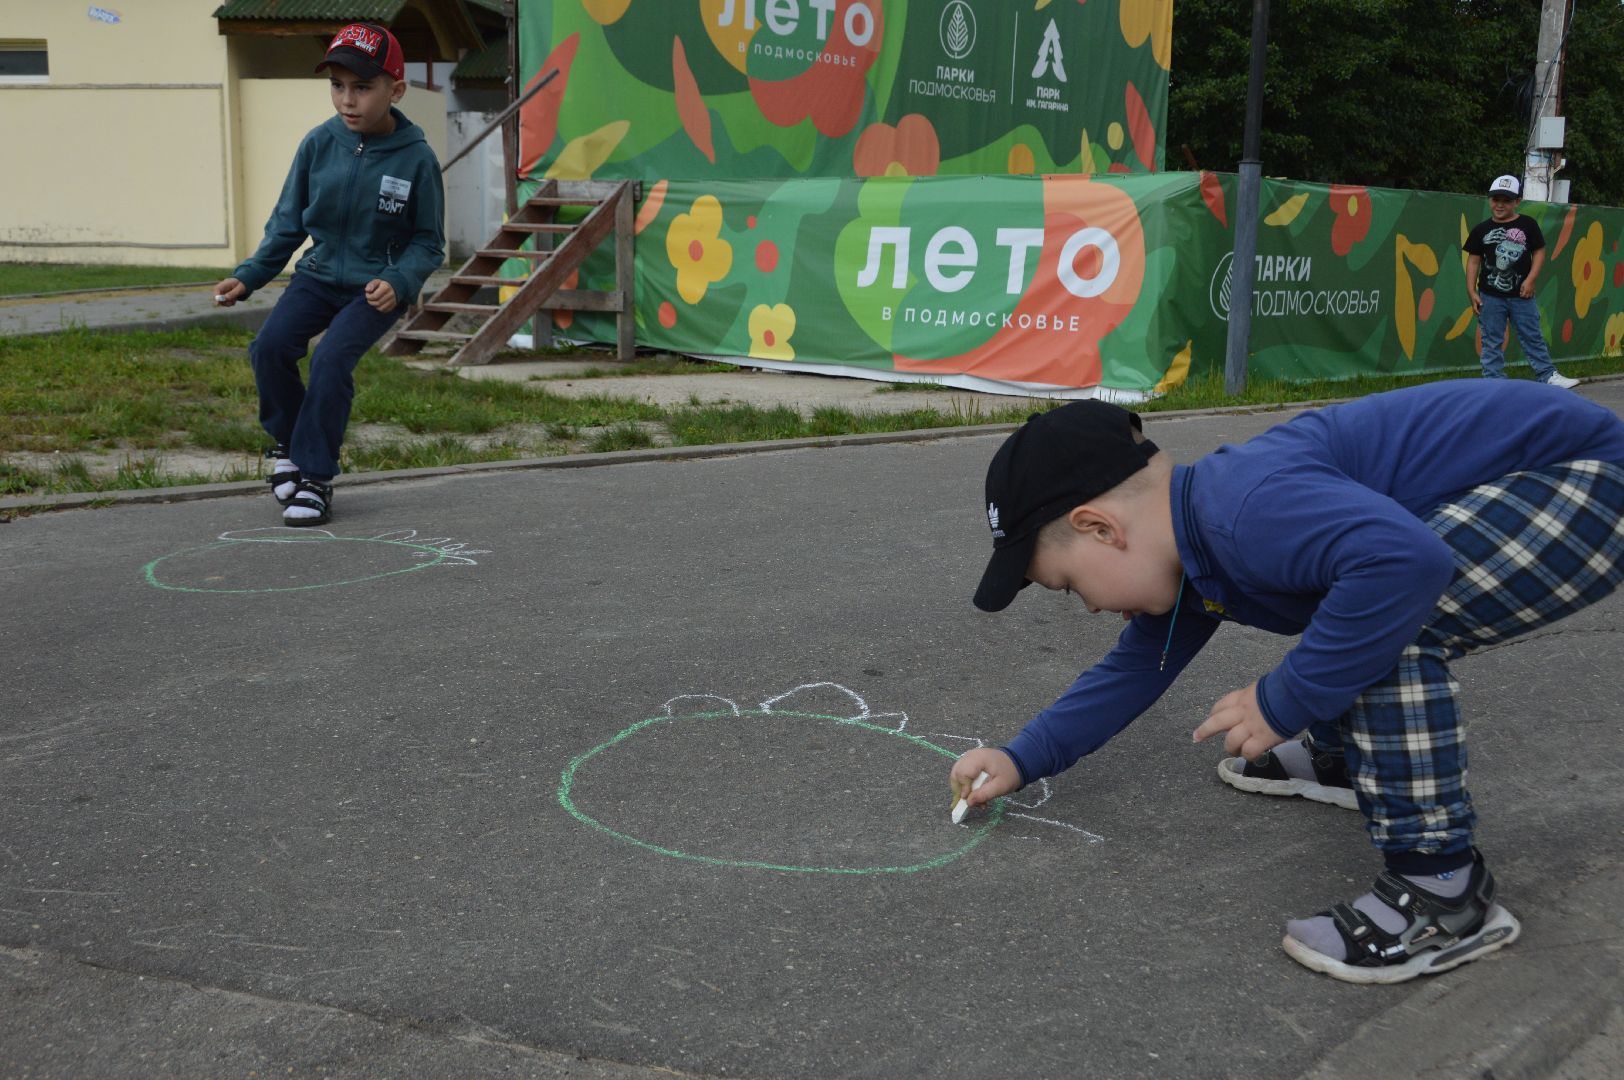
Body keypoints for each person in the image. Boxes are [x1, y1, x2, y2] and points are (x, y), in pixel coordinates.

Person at [950, 381, 1624, 983]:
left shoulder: (1243, 509)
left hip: (1587, 478)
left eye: (1069, 585)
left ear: (1100, 528)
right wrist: (1020, 756)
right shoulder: (1195, 548)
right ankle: (1342, 758)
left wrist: (1284, 701)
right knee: (1354, 612)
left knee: (1388, 620)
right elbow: (1132, 670)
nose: (1090, 605)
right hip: (1523, 483)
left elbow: (1406, 564)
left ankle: (1442, 894)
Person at [212, 22, 445, 526]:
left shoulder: (417, 159)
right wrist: (250, 275)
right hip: (316, 277)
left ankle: (315, 478)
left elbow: (429, 242)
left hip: (373, 289)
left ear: (395, 90)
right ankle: (289, 446)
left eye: (362, 87)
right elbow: (287, 223)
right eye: (337, 85)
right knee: (269, 348)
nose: (347, 99)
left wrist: (400, 281)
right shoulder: (318, 144)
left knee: (332, 359)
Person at [1463, 174, 1577, 389]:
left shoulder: (1528, 224)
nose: (1500, 205)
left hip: (1522, 296)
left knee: (1532, 335)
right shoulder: (1481, 230)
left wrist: (1531, 279)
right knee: (1491, 340)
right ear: (1489, 200)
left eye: (1506, 200)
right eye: (1495, 199)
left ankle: (1547, 376)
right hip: (1489, 297)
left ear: (1517, 201)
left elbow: (1539, 252)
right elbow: (1473, 261)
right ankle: (1493, 380)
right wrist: (1471, 291)